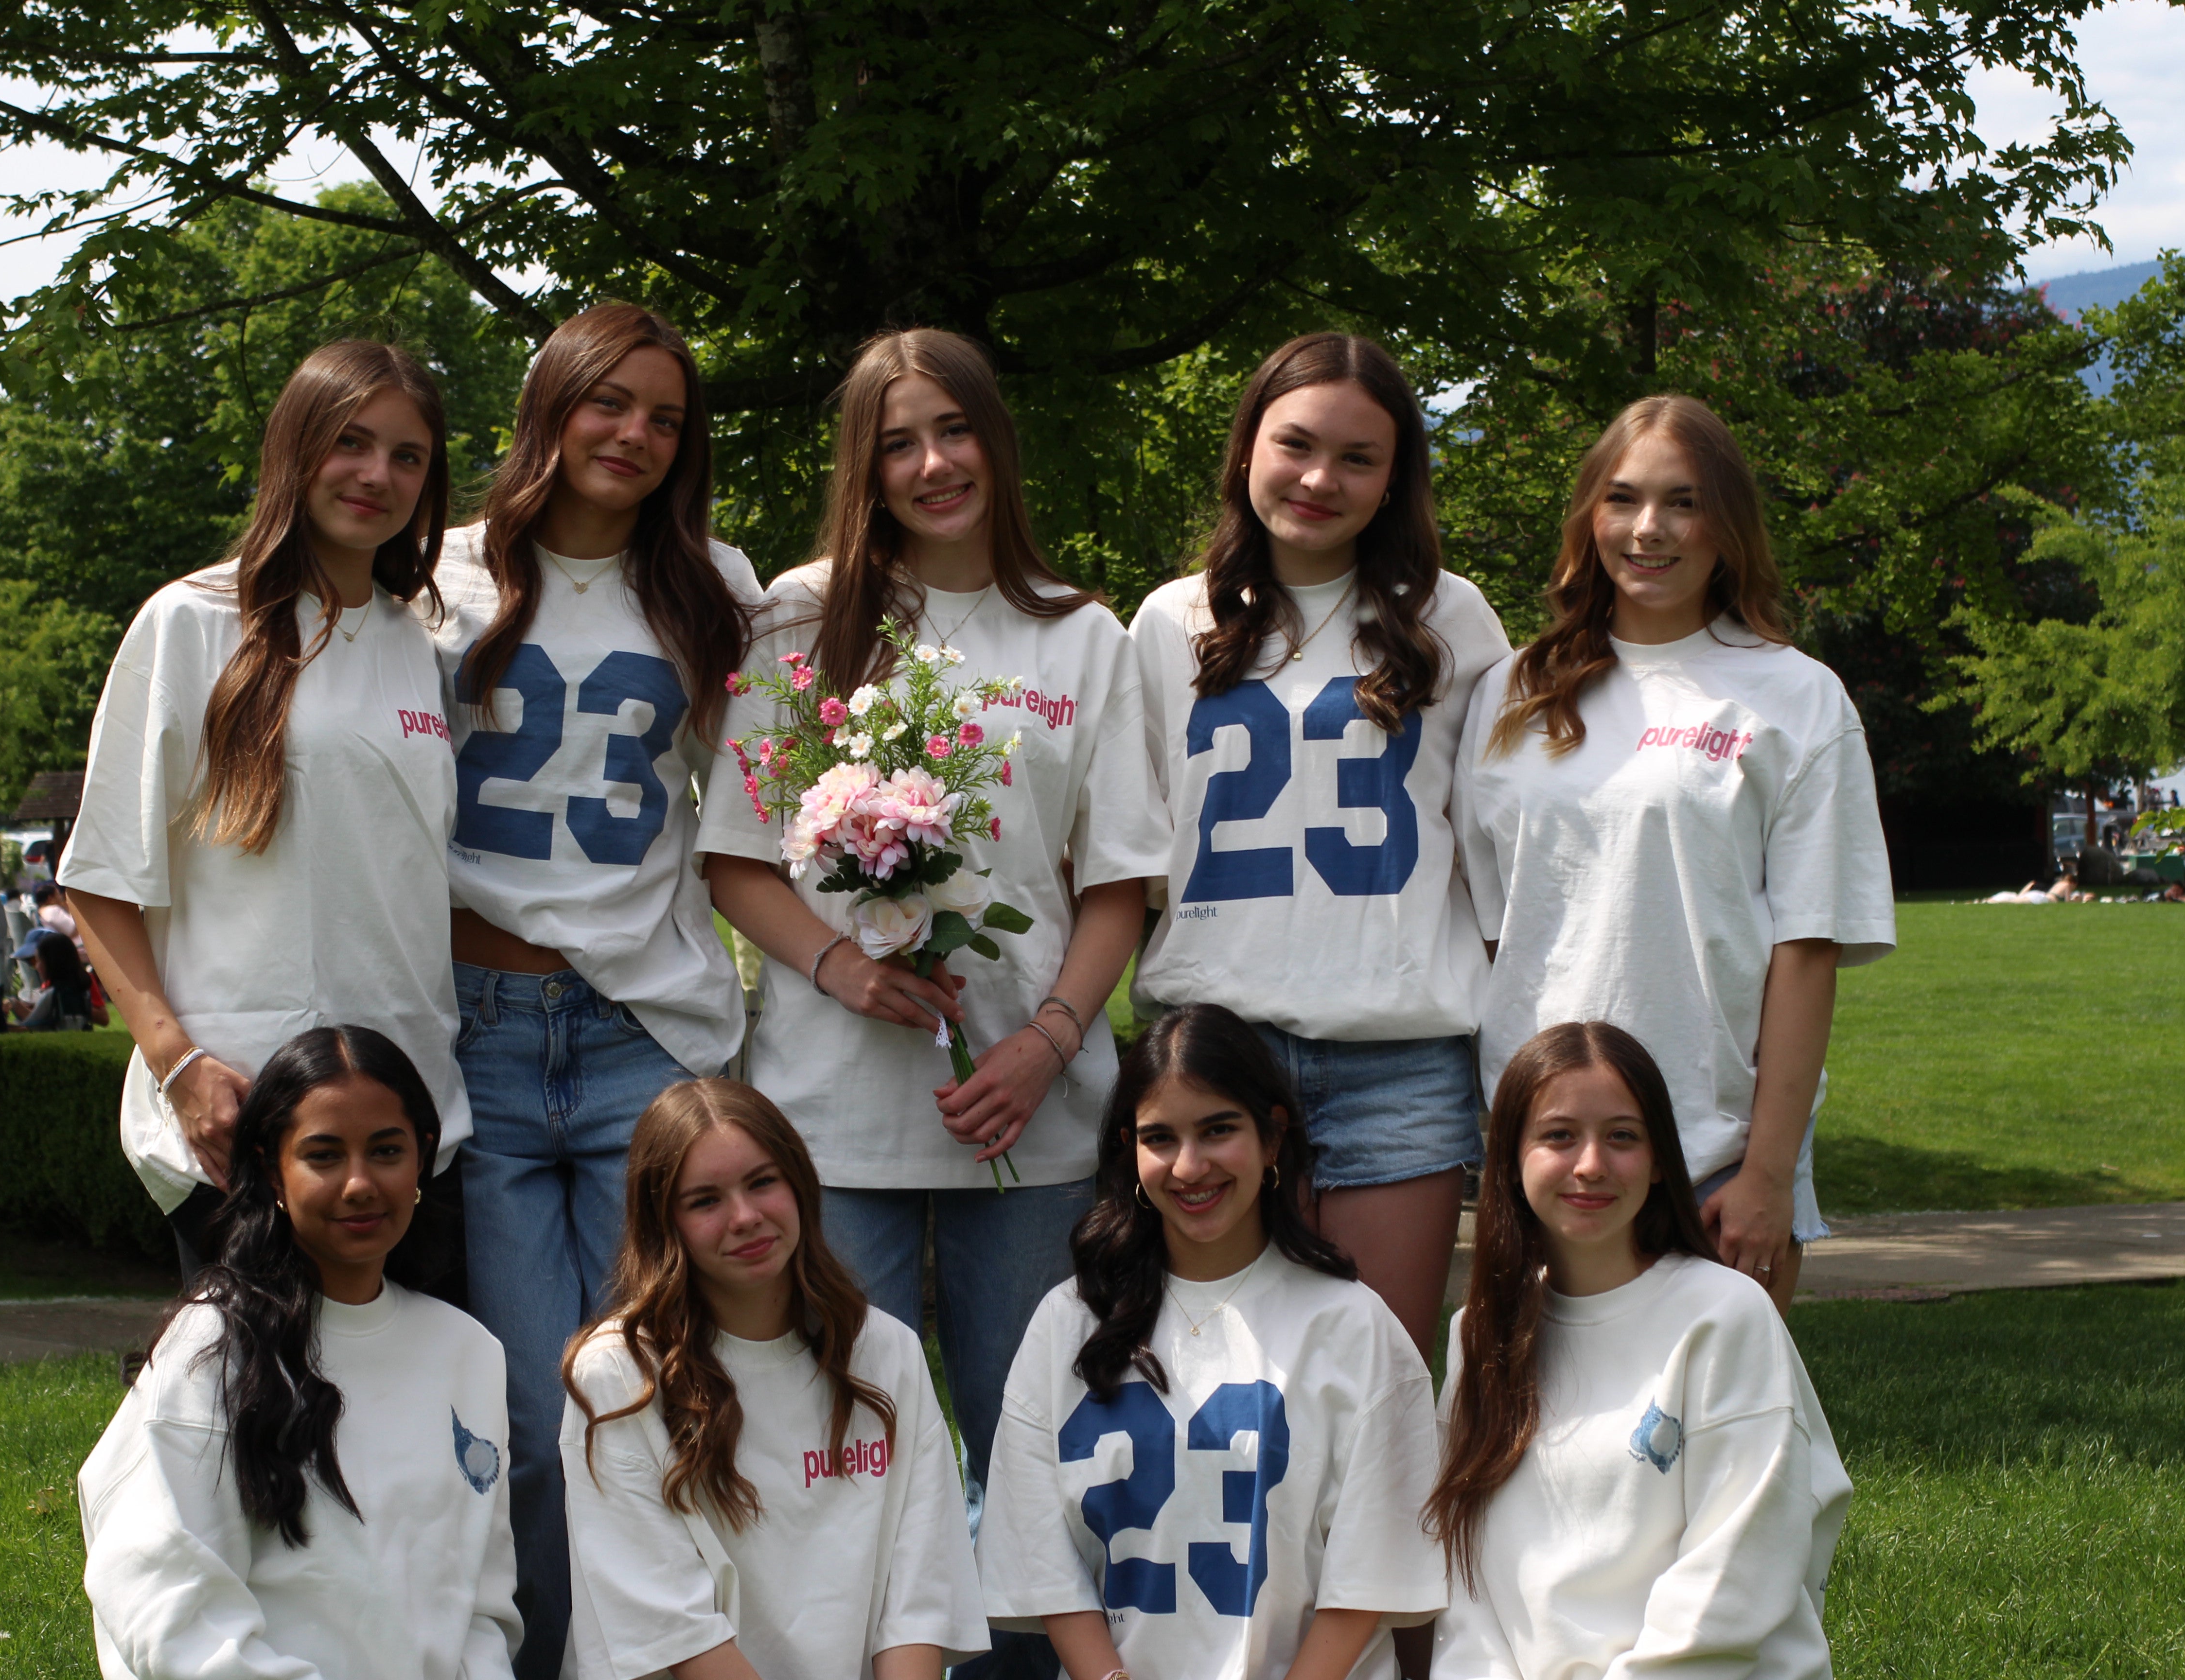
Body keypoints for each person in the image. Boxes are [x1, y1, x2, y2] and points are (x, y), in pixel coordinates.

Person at [699, 330, 1167, 1535]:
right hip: (833, 1117)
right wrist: (841, 963)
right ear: (865, 465)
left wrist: (1049, 1039)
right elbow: (739, 858)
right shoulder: (795, 621)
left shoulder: (1079, 634)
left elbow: (1118, 877)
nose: (931, 464)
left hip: (1026, 1116)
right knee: (834, 1455)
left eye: (953, 430)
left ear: (994, 442)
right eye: (897, 441)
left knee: (1029, 1463)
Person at [428, 301, 762, 1680]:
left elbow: (775, 786)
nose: (634, 433)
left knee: (662, 1393)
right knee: (523, 1407)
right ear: (551, 408)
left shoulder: (713, 582)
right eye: (607, 402)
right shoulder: (434, 575)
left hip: (644, 1028)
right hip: (482, 1030)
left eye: (665, 417)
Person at [1454, 394, 1895, 1309]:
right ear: (1587, 519)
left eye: (1683, 502)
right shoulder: (1513, 690)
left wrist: (1767, 1174)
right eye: (1621, 499)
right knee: (1538, 1435)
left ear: (1726, 524)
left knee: (1711, 1438)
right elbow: (1498, 934)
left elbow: (1808, 951)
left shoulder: (1796, 699)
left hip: (1716, 1157)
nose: (1647, 529)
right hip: (1541, 1157)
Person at [1128, 332, 1510, 1357]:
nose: (1318, 478)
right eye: (1295, 443)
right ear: (1247, 445)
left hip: (1396, 1054)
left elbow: (1493, 850)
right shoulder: (1170, 623)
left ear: (1396, 480)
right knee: (1222, 1380)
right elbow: (1128, 851)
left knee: (1378, 1385)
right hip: (1217, 1051)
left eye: (1358, 457)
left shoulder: (1452, 620)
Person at [60, 340, 470, 1279]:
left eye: (408, 457)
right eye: (351, 443)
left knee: (410, 1420)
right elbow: (99, 881)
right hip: (246, 1129)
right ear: (296, 450)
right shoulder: (193, 622)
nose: (378, 475)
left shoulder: (420, 646)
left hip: (412, 1129)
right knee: (263, 1423)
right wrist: (180, 1066)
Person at [977, 1003, 1445, 1680]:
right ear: (1128, 1151)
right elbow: (1041, 1556)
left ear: (1273, 1139)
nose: (1189, 1166)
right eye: (1160, 1138)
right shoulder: (1068, 1324)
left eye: (1218, 1130)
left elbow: (1370, 1574)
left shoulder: (1355, 1328)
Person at [78, 1025, 519, 1680]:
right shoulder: (213, 1348)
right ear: (270, 1170)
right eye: (324, 1155)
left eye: (386, 1151)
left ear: (423, 1157)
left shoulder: (469, 1352)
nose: (360, 1184)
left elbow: (484, 1613)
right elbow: (162, 1595)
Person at [1427, 1021, 1850, 1680]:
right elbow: (1465, 1589)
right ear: (1510, 1160)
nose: (1591, 1164)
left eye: (1622, 1137)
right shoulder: (1478, 1337)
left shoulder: (1724, 1317)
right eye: (1559, 1136)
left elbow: (1735, 1574)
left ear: (1658, 1163)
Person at [559, 1077, 987, 1680]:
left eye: (763, 1183)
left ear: (800, 1184)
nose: (745, 1218)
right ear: (664, 1223)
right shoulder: (619, 1375)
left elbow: (918, 1599)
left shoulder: (886, 1351)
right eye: (705, 1200)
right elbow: (675, 1634)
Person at [8, 929, 107, 1032]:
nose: (36, 967)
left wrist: (15, 1005)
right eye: (31, 962)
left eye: (36, 960)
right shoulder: (49, 987)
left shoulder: (58, 992)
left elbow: (32, 1025)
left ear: (53, 961)